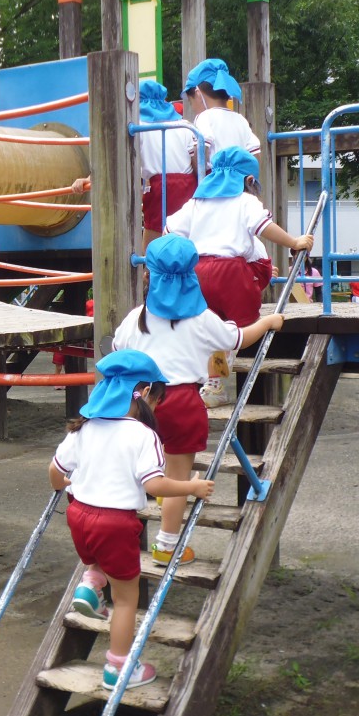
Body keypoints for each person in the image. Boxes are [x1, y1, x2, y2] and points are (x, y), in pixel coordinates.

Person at [113, 235, 284, 566]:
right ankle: (167, 544)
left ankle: (149, 508)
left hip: (141, 399)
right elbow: (238, 337)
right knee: (179, 477)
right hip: (182, 401)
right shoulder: (202, 319)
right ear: (193, 275)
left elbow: (120, 349)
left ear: (150, 275)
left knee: (151, 454)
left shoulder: (137, 317)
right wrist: (267, 322)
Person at [48, 350, 214, 690]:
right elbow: (154, 484)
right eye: (157, 399)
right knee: (126, 600)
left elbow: (55, 470)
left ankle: (91, 582)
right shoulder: (143, 435)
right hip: (115, 523)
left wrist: (61, 486)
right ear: (146, 395)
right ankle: (119, 668)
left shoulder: (84, 426)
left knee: (96, 557)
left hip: (78, 514)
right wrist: (191, 486)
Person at [164, 146, 313, 407]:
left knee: (207, 326)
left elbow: (169, 230)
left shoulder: (198, 202)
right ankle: (217, 383)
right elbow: (265, 227)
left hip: (197, 271)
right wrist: (294, 242)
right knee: (238, 330)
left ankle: (204, 382)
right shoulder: (245, 201)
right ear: (248, 181)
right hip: (230, 272)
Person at [137, 80, 198, 255]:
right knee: (185, 237)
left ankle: (148, 273)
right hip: (188, 184)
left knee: (154, 237)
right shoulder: (184, 125)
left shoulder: (137, 124)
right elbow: (195, 161)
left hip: (158, 184)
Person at [183, 58, 260, 164]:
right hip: (239, 178)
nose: (192, 108)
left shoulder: (204, 117)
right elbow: (255, 154)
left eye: (190, 102)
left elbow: (201, 151)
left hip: (215, 178)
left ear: (198, 94)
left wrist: (198, 171)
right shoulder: (241, 119)